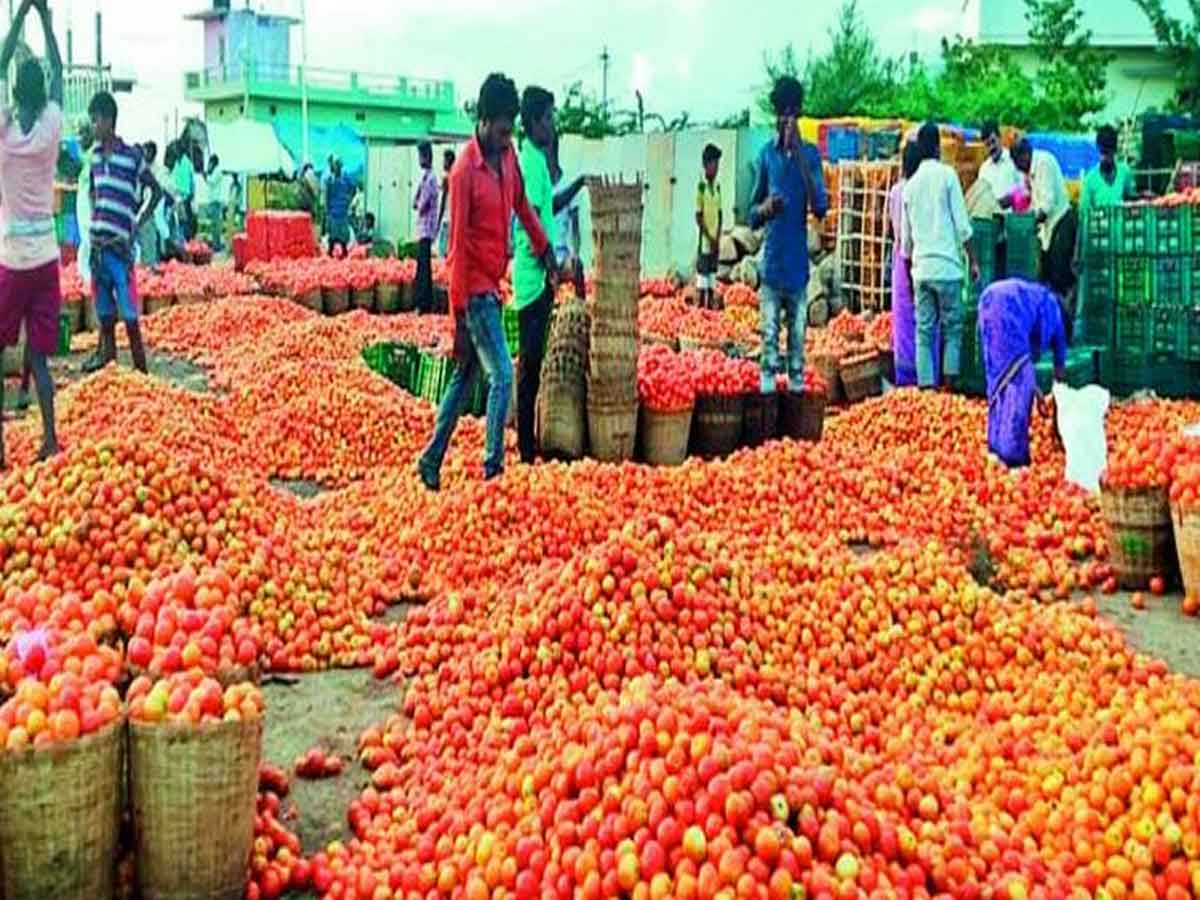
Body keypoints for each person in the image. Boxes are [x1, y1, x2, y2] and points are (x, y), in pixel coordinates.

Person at [417, 73, 555, 491]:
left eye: (510, 127)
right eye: (501, 128)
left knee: (464, 381)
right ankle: (494, 467)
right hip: (473, 292)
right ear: (482, 121)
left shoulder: (508, 157)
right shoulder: (462, 172)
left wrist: (544, 246)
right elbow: (456, 248)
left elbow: (522, 206)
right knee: (503, 376)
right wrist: (457, 317)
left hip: (492, 288)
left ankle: (430, 459)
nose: (506, 135)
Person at [0, 0, 63, 465]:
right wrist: (43, 18)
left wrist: (19, 15)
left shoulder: (4, 131)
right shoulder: (51, 127)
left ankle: (0, 446)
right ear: (42, 94)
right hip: (45, 259)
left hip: (12, 259)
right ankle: (49, 439)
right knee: (40, 358)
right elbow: (58, 70)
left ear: (15, 94)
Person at [512, 85, 582, 465]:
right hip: (532, 277)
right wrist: (554, 267)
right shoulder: (529, 162)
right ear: (535, 122)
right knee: (530, 364)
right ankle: (525, 449)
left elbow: (549, 207)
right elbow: (532, 220)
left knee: (534, 364)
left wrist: (578, 185)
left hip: (540, 275)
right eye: (549, 118)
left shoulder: (537, 160)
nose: (553, 125)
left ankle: (530, 441)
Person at [748, 77, 827, 395]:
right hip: (771, 266)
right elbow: (751, 215)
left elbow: (820, 206)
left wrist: (800, 156)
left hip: (797, 270)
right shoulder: (767, 156)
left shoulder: (810, 155)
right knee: (768, 339)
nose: (787, 120)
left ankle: (795, 411)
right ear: (776, 115)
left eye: (793, 113)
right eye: (783, 113)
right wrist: (766, 208)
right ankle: (768, 408)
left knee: (797, 345)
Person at [82, 91, 162, 375]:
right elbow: (93, 190)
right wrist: (96, 217)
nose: (93, 126)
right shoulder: (93, 158)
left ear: (108, 120)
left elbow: (156, 191)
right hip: (98, 248)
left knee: (129, 317)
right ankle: (112, 374)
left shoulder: (132, 157)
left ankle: (142, 373)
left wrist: (137, 224)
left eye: (95, 121)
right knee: (105, 317)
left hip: (119, 250)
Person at [901, 122, 980, 390]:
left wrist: (911, 269)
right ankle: (948, 389)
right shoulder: (948, 176)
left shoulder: (910, 187)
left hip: (921, 271)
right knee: (952, 330)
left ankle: (926, 392)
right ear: (937, 147)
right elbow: (962, 226)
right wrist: (974, 261)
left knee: (924, 333)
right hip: (947, 268)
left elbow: (906, 241)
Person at [978, 278, 1068, 468]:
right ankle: (1013, 454)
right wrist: (1057, 423)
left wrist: (1035, 390)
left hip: (988, 300)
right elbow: (1059, 377)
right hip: (1009, 308)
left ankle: (995, 446)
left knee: (1000, 382)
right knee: (1018, 389)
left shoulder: (1038, 296)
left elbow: (1020, 363)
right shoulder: (1054, 312)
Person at [1012, 138, 1077, 318]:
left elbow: (1047, 205)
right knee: (1044, 276)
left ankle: (1066, 319)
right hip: (1046, 230)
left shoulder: (1043, 163)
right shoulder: (1029, 173)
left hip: (1060, 221)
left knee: (1060, 276)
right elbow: (1035, 203)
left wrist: (1027, 223)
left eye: (1019, 164)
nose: (1019, 169)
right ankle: (1052, 319)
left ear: (1025, 156)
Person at [887, 142, 929, 387]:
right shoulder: (919, 189)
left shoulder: (896, 191)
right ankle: (927, 378)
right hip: (918, 257)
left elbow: (893, 230)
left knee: (903, 321)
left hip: (901, 260)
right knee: (925, 320)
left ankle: (905, 379)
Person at [548, 132, 586, 299]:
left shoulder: (567, 182)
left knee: (578, 267)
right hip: (542, 256)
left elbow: (575, 228)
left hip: (562, 255)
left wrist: (575, 253)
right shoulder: (537, 182)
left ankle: (580, 310)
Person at [695, 143, 722, 311]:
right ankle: (700, 311)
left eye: (718, 164)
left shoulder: (717, 187)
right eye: (714, 164)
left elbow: (720, 213)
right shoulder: (701, 186)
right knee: (702, 280)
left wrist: (718, 237)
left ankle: (710, 312)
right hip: (705, 241)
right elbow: (698, 216)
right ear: (706, 165)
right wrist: (710, 237)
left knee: (712, 278)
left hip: (715, 240)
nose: (716, 168)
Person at [413, 142, 439, 313]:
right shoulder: (425, 178)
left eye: (421, 156)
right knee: (423, 265)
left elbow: (420, 205)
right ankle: (423, 301)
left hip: (426, 228)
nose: (419, 160)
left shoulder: (430, 179)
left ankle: (424, 303)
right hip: (423, 228)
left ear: (427, 156)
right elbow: (414, 201)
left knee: (424, 267)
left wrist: (417, 202)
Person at [978, 121, 1022, 206]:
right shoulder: (983, 169)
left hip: (1013, 217)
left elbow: (1024, 189)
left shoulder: (1014, 160)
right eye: (987, 145)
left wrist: (1010, 199)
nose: (991, 147)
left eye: (993, 141)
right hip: (991, 217)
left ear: (1000, 138)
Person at [136, 142, 161, 265]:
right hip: (128, 220)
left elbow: (158, 192)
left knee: (148, 261)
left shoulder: (147, 171)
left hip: (144, 218)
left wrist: (144, 215)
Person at [325, 156, 353, 257]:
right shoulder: (330, 180)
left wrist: (348, 200)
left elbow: (352, 189)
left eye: (338, 166)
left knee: (343, 234)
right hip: (334, 210)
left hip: (343, 210)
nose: (336, 168)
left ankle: (344, 251)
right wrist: (327, 209)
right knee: (333, 233)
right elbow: (327, 195)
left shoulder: (345, 178)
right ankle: (330, 251)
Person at [172, 141, 195, 241]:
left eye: (176, 149)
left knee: (186, 220)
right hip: (177, 195)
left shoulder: (188, 163)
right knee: (179, 220)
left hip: (186, 195)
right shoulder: (176, 163)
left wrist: (191, 194)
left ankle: (188, 239)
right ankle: (182, 239)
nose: (175, 152)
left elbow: (192, 180)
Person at [437, 148, 455, 259]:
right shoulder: (457, 176)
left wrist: (438, 221)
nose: (443, 163)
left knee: (442, 250)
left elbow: (443, 202)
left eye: (444, 160)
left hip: (447, 218)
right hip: (454, 218)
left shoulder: (446, 178)